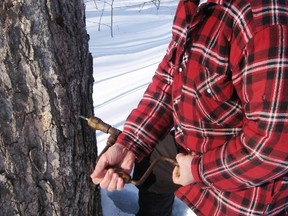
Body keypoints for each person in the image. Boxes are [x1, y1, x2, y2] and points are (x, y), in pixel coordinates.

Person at [91, 0, 288, 215]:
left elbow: (274, 148)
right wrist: (130, 144)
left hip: (245, 196)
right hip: (193, 146)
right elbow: (169, 77)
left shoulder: (264, 21)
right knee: (147, 164)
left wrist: (198, 171)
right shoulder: (199, 6)